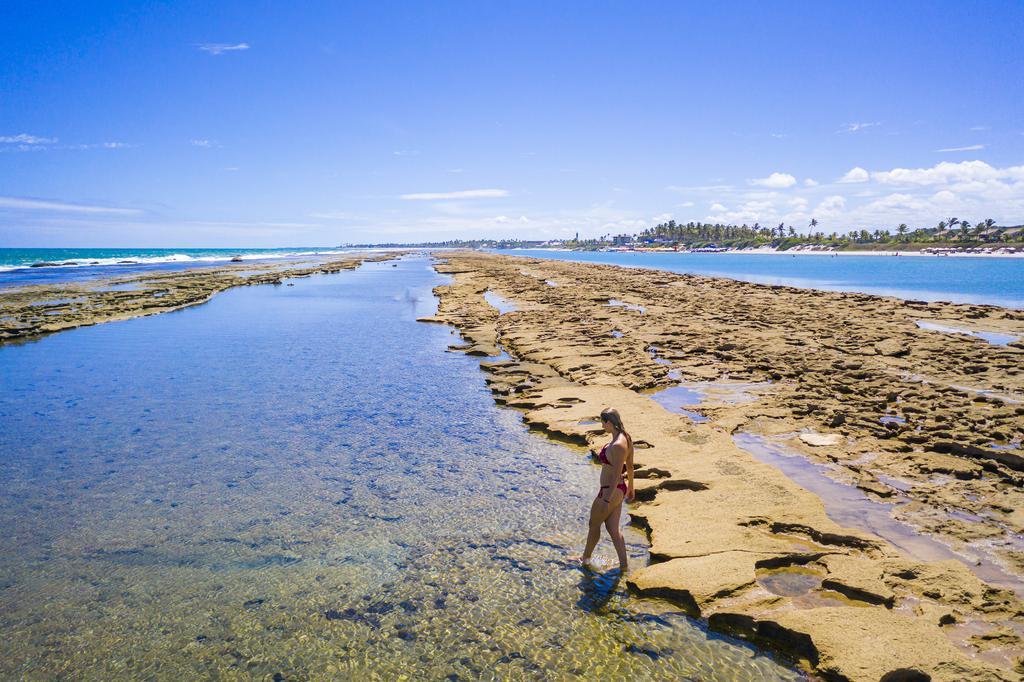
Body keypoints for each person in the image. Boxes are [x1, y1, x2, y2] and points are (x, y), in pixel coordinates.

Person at [579, 408, 635, 572]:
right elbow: (630, 466)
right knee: (612, 529)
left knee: (593, 524)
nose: (602, 426)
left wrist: (606, 499)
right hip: (619, 489)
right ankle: (624, 566)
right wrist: (630, 488)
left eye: (603, 422)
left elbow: (618, 471)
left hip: (610, 491)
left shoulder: (618, 445)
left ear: (609, 422)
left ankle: (585, 560)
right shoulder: (626, 437)